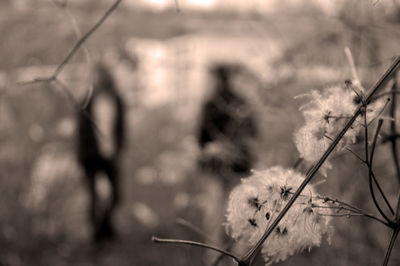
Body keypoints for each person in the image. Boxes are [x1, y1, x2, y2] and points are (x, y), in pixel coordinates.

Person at [197, 63, 258, 264]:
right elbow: (203, 140)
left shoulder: (228, 105)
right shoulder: (228, 104)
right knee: (219, 216)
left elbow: (251, 136)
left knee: (225, 216)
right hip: (221, 169)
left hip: (232, 169)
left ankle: (227, 257)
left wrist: (226, 149)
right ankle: (223, 257)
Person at [77, 63, 125, 243]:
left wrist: (117, 149)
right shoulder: (86, 100)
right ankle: (96, 234)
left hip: (111, 154)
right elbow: (82, 133)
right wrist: (86, 154)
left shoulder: (117, 100)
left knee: (116, 194)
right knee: (92, 196)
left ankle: (105, 226)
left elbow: (121, 128)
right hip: (90, 157)